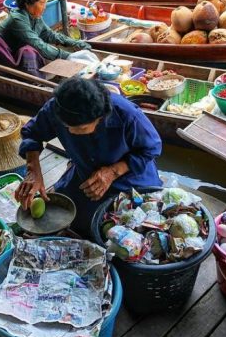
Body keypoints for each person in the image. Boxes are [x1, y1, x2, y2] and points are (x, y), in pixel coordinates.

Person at [15, 77, 162, 237]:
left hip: (130, 174)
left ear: (100, 118)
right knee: (68, 216)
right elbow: (32, 134)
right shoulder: (57, 108)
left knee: (124, 227)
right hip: (85, 169)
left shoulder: (127, 114)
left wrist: (112, 172)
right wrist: (33, 171)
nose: (71, 132)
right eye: (66, 127)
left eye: (81, 128)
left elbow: (151, 148)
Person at [0, 0, 90, 78]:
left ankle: (33, 81)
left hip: (17, 58)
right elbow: (37, 44)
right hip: (3, 55)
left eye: (45, 3)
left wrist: (76, 43)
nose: (44, 7)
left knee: (28, 51)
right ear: (29, 3)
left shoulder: (35, 16)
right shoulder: (18, 18)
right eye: (42, 3)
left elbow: (50, 35)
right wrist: (68, 56)